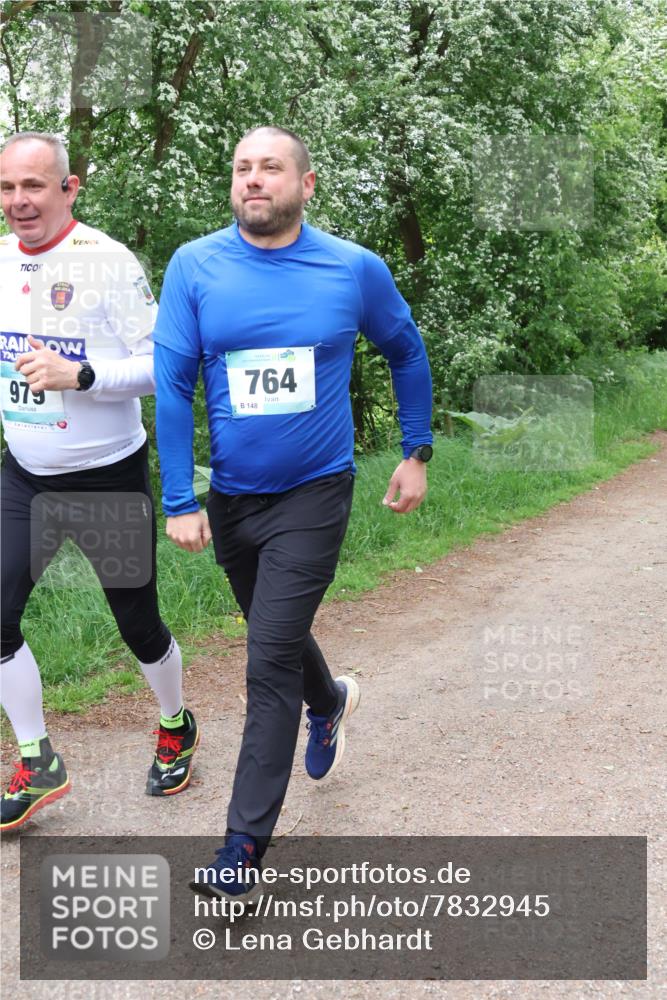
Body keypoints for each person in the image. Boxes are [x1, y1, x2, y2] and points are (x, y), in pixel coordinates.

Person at [154, 126, 432, 898]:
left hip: (315, 492)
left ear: (305, 184)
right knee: (273, 632)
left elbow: (405, 350)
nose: (253, 179)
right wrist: (178, 498)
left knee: (267, 656)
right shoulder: (195, 265)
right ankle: (330, 701)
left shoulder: (351, 268)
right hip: (232, 498)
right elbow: (172, 384)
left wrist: (415, 450)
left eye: (270, 168)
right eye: (242, 168)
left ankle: (240, 850)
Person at [0, 132, 199, 832]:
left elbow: (165, 368)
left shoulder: (108, 262)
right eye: (7, 188)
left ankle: (175, 722)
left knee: (137, 625)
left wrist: (80, 375)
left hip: (107, 477)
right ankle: (37, 760)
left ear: (69, 187)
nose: (19, 201)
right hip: (25, 478)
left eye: (34, 185)